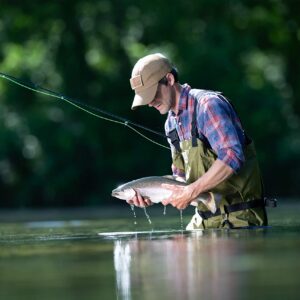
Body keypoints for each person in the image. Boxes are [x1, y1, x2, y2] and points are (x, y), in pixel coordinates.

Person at [127, 53, 268, 229]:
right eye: (145, 98)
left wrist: (191, 191)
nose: (149, 103)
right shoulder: (170, 123)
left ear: (169, 79)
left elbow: (232, 155)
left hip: (240, 219)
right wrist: (150, 194)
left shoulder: (208, 105)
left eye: (152, 94)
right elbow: (180, 177)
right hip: (202, 220)